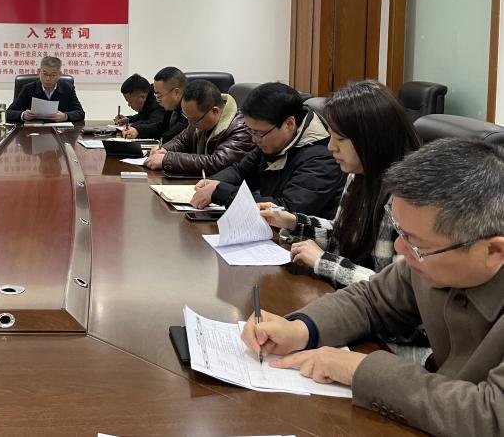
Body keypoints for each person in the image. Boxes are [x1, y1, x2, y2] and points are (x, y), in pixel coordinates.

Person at [241, 138, 504, 435]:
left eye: (417, 244)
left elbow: (491, 416)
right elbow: (371, 299)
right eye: (400, 231)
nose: (400, 248)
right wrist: (301, 329)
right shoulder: (432, 258)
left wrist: (357, 369)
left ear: (493, 251)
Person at [260, 80, 420, 287]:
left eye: (341, 139)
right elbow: (342, 234)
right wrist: (292, 222)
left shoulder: (409, 197)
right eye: (331, 136)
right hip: (348, 296)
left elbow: (397, 289)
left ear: (372, 138)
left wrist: (323, 262)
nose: (331, 147)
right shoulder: (359, 174)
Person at [191, 82, 345, 218]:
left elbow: (287, 209)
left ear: (289, 124)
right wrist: (211, 183)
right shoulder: (274, 141)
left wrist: (220, 192)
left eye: (259, 133)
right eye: (251, 131)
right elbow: (241, 171)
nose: (254, 139)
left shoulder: (323, 158)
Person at [144, 79, 254, 176]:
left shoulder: (242, 129)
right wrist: (164, 149)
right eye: (187, 117)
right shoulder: (199, 120)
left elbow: (217, 162)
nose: (190, 124)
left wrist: (167, 159)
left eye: (194, 120)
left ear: (215, 111)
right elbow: (182, 140)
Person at [6, 56, 85, 123]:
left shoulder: (68, 88)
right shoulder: (28, 88)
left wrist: (65, 116)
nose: (48, 79)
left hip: (60, 131)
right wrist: (23, 115)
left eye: (53, 75)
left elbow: (80, 113)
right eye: (44, 74)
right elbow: (9, 113)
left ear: (59, 74)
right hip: (33, 131)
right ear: (39, 72)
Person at [135, 66, 188, 141]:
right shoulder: (172, 108)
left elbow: (171, 136)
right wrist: (137, 131)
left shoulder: (189, 113)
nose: (158, 100)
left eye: (159, 96)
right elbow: (160, 128)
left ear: (176, 93)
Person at [114, 73, 165, 139]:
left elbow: (155, 124)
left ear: (142, 97)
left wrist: (136, 130)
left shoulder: (158, 102)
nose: (129, 105)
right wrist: (128, 119)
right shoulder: (149, 99)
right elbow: (143, 116)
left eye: (130, 102)